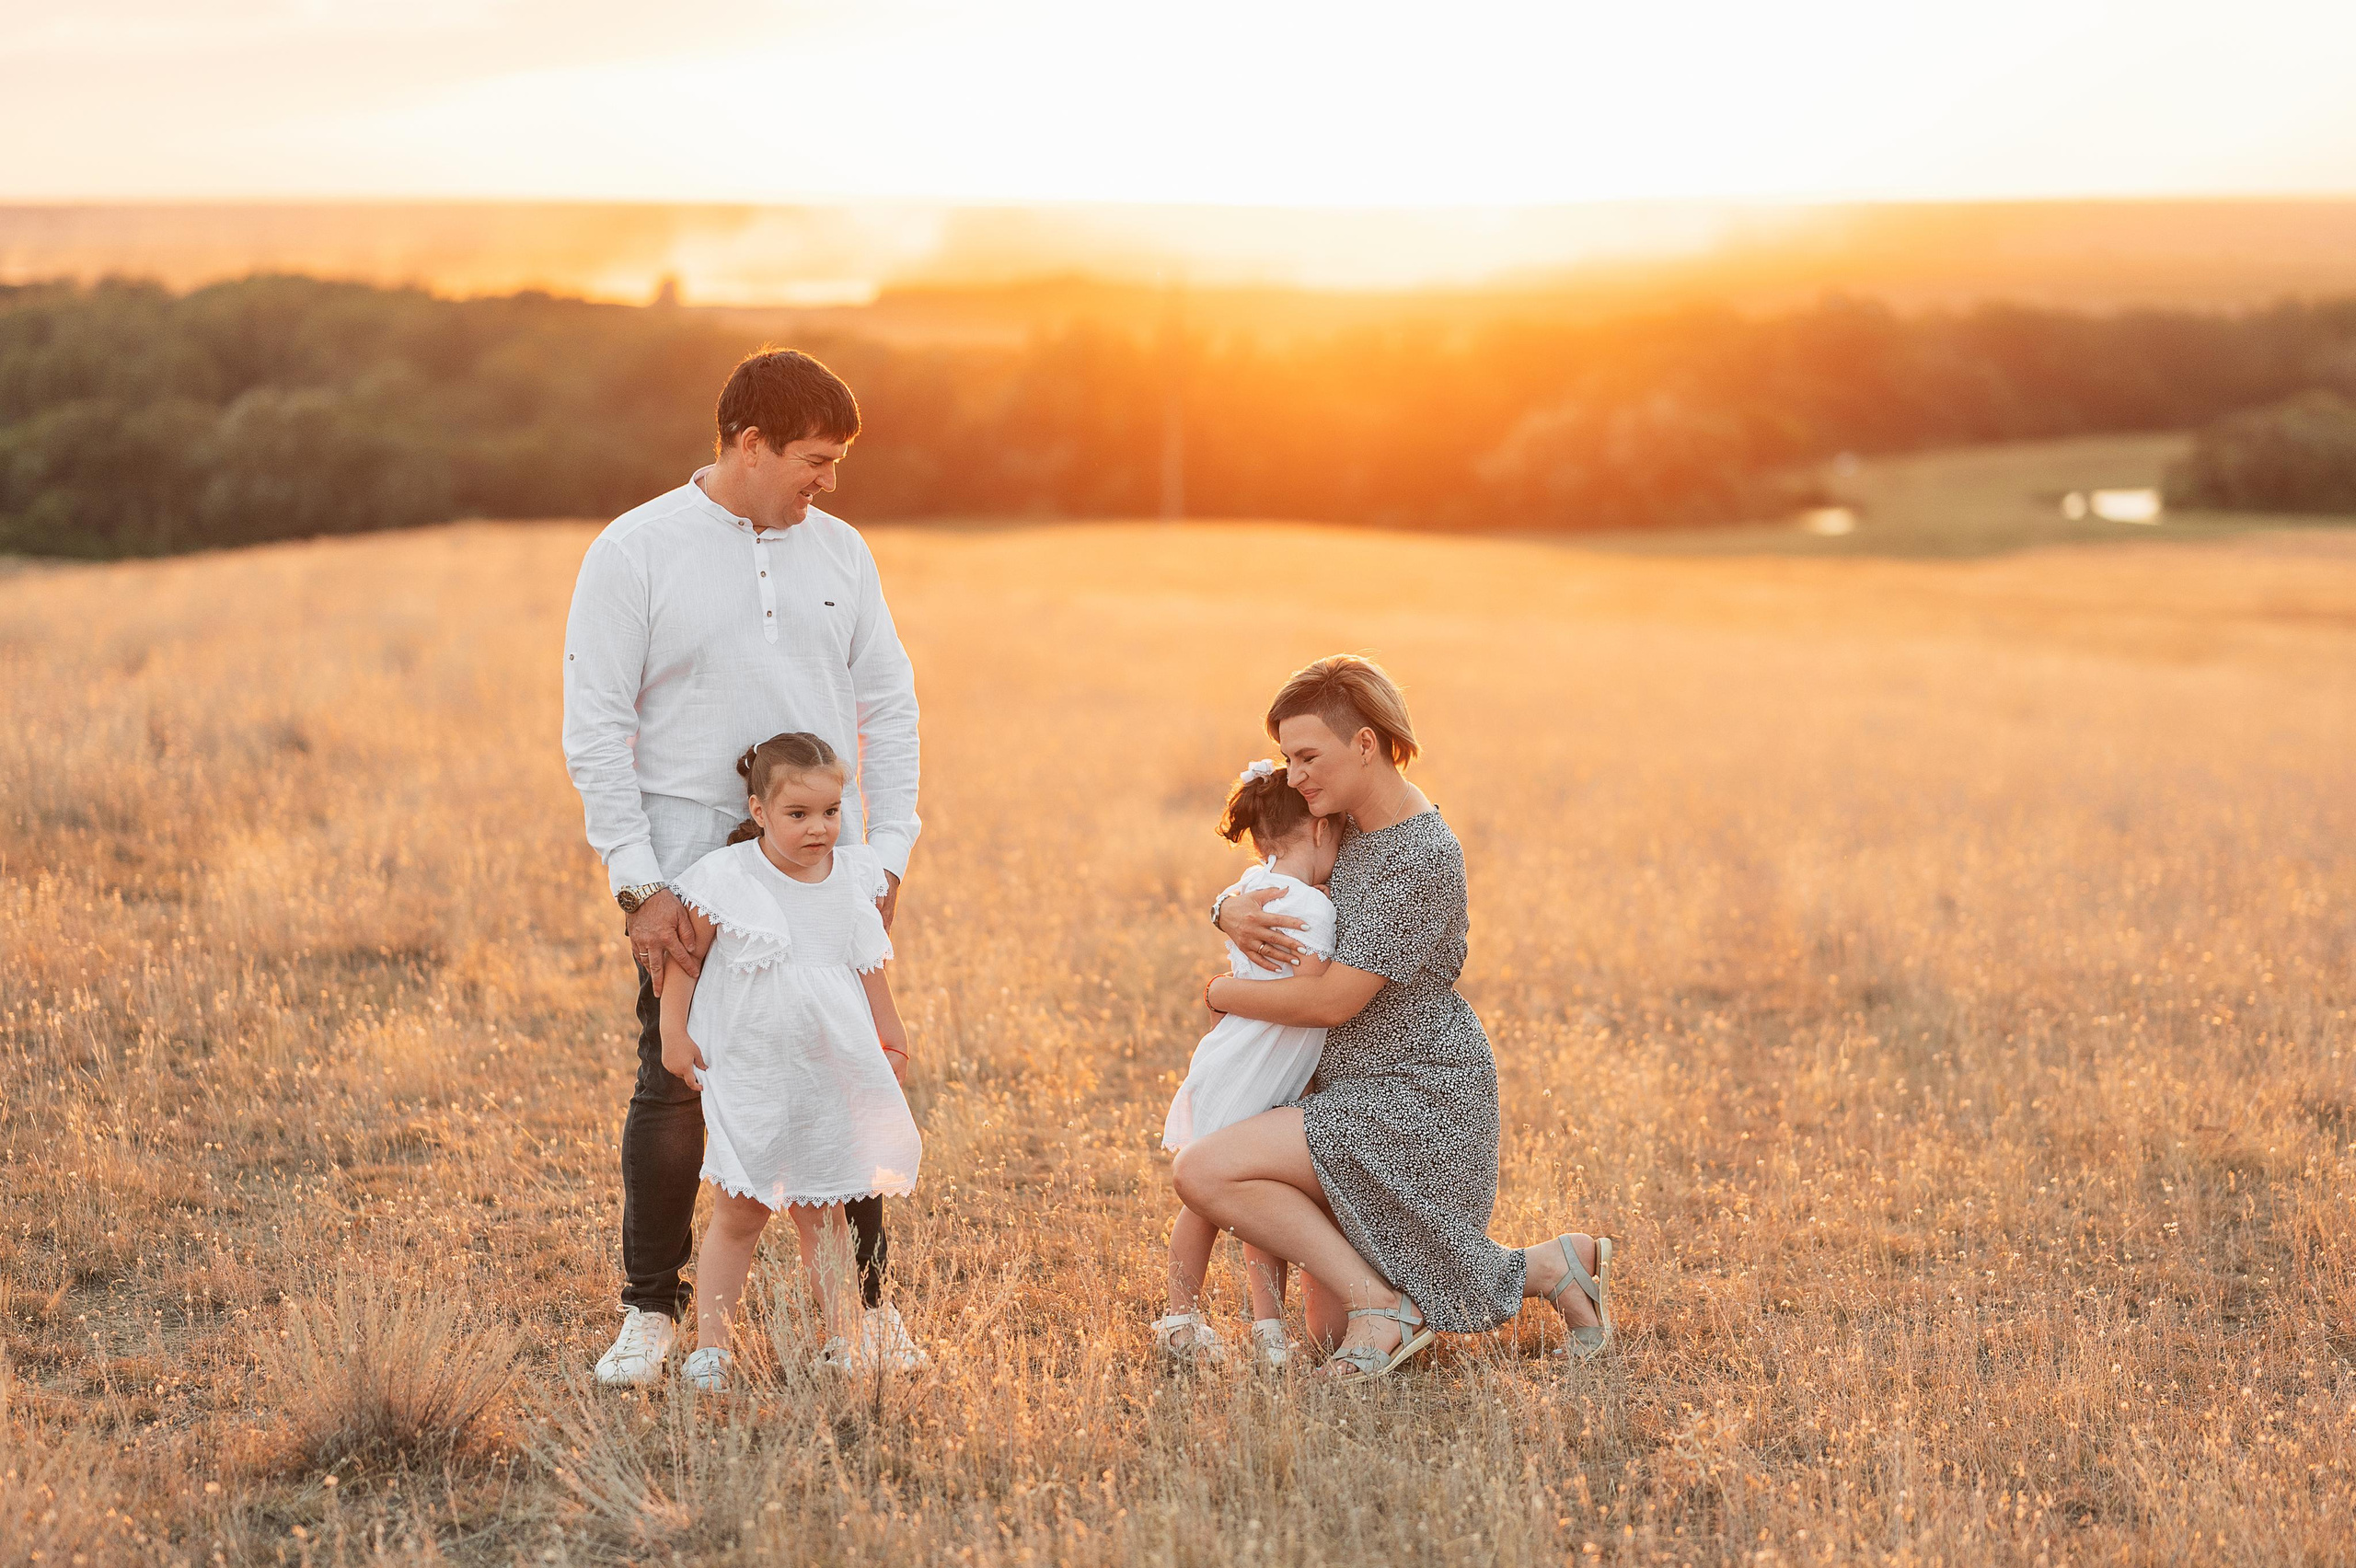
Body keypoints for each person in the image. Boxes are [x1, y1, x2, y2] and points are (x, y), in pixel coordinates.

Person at [562, 349, 922, 1386]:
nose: (829, 481)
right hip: (689, 871)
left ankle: (858, 1313)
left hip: (819, 856)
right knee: (675, 1080)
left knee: (841, 1070)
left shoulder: (842, 552)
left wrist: (885, 852)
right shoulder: (634, 551)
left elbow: (889, 705)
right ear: (749, 443)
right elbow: (595, 728)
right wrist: (640, 881)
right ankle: (651, 1313)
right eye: (814, 458)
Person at [1173, 655, 1618, 1382]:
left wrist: (1219, 994)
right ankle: (1549, 1267)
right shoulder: (1337, 820)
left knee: (1203, 1170)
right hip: (1339, 1092)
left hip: (1416, 1097)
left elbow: (1331, 1002)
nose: (1294, 776)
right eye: (1288, 758)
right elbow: (1270, 862)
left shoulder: (1422, 856)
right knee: (1324, 1333)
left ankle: (1383, 1305)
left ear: (1366, 745)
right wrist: (1224, 908)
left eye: (1308, 756)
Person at [656, 733, 920, 1389]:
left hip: (829, 1070)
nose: (818, 828)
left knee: (824, 1214)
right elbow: (683, 966)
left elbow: (867, 966)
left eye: (830, 812)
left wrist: (892, 1034)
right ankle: (711, 1349)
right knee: (741, 1210)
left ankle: (843, 1338)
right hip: (752, 1071)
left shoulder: (853, 877)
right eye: (798, 814)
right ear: (759, 810)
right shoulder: (727, 878)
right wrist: (673, 1034)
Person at [1154, 760, 1342, 1370]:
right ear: (1317, 832)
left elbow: (1230, 907)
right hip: (1256, 1071)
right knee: (1220, 1197)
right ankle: (1220, 1325)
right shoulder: (1316, 910)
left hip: (1232, 1057)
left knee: (1230, 1198)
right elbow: (1312, 997)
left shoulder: (1248, 887)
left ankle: (1218, 1323)